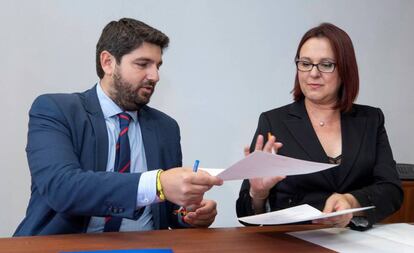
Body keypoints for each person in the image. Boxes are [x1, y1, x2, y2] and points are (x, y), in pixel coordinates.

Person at [14, 18, 223, 236]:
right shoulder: (56, 110)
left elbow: (167, 210)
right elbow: (62, 187)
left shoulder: (166, 127)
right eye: (143, 64)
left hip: (148, 248)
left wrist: (189, 214)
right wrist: (158, 183)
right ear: (108, 62)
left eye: (158, 66)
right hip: (67, 245)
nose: (155, 76)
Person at [236, 23, 403, 230]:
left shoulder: (371, 119)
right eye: (305, 63)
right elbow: (244, 215)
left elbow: (391, 190)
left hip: (354, 240)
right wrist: (258, 195)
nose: (313, 73)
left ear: (345, 69)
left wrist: (352, 202)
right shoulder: (274, 121)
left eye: (325, 64)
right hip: (294, 241)